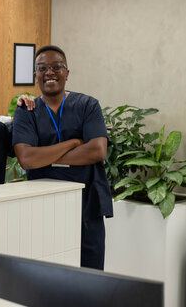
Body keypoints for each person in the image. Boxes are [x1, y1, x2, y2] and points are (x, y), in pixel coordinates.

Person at [12, 45, 113, 270]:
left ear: (67, 72)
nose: (50, 72)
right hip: (43, 205)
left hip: (88, 204)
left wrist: (47, 156)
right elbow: (27, 159)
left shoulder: (88, 105)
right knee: (47, 272)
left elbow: (97, 150)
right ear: (35, 75)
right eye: (42, 68)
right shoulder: (26, 110)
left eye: (56, 67)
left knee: (90, 274)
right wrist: (73, 143)